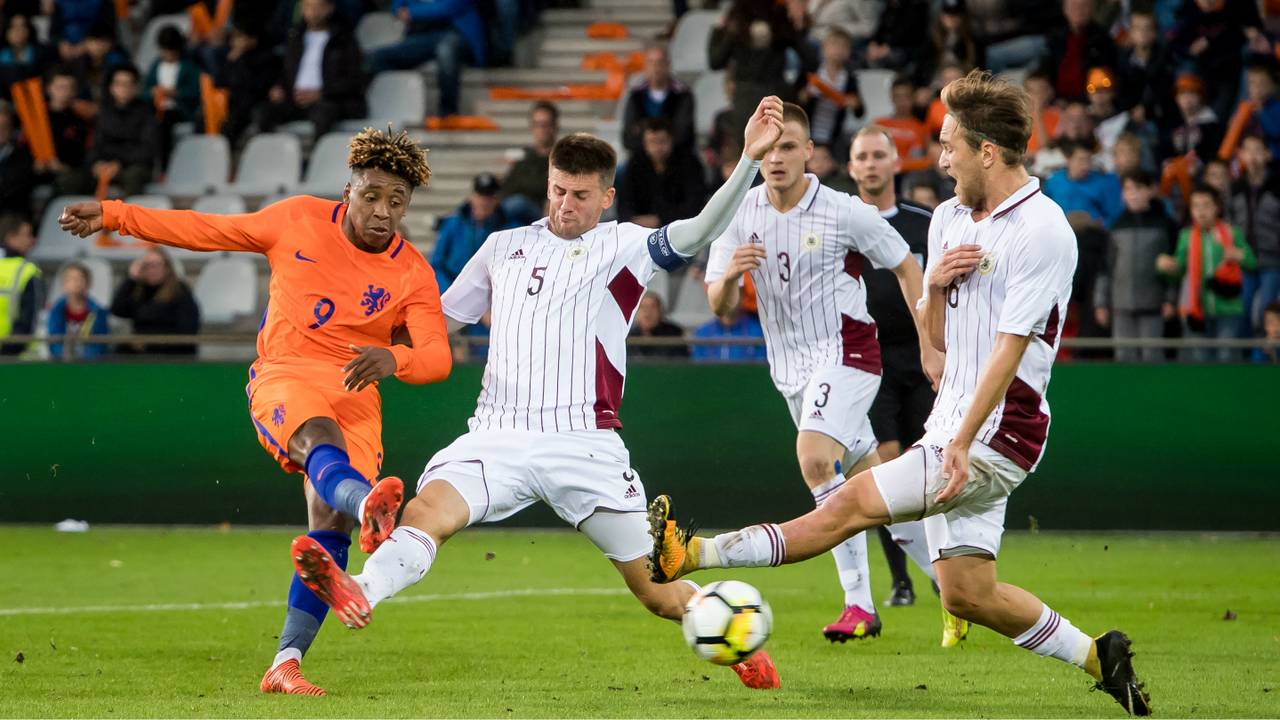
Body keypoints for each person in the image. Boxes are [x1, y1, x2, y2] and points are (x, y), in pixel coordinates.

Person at [650, 70, 1152, 717]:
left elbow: (1012, 347)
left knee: (848, 501)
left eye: (949, 147)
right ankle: (1099, 655)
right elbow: (938, 335)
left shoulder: (1043, 229)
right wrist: (936, 288)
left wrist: (963, 443)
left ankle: (693, 551)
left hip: (1000, 433)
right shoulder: (946, 219)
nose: (940, 160)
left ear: (987, 152)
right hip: (953, 426)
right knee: (967, 592)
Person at [288, 97, 790, 692]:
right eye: (556, 190)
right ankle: (359, 591)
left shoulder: (626, 246)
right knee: (426, 513)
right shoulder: (503, 246)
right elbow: (439, 321)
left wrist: (746, 163)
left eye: (579, 195)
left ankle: (734, 638)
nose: (564, 204)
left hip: (585, 445)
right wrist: (354, 339)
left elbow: (702, 230)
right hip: (497, 434)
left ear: (606, 197)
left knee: (655, 592)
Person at [58, 127, 453, 695]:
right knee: (322, 444)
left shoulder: (412, 271)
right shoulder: (295, 220)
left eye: (397, 202)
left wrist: (394, 357)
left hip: (358, 389)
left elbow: (437, 357)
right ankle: (369, 503)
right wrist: (117, 214)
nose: (383, 212)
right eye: (372, 196)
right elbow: (206, 230)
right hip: (287, 375)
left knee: (327, 526)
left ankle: (285, 663)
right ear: (349, 190)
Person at [704, 105, 946, 645]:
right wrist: (729, 282)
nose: (777, 158)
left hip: (849, 353)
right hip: (790, 370)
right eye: (767, 149)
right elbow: (717, 302)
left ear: (810, 150)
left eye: (788, 146)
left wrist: (931, 344)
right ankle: (951, 589)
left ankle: (858, 603)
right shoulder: (740, 213)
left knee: (815, 459)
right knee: (873, 485)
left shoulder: (842, 210)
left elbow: (907, 265)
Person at [847, 126, 953, 624]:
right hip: (869, 361)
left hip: (923, 355)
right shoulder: (842, 222)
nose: (870, 165)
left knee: (928, 470)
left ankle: (946, 573)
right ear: (851, 169)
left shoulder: (923, 222)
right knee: (885, 465)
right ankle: (903, 580)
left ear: (895, 164)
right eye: (861, 157)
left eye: (878, 156)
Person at [1157, 185, 1257, 362]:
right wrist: (1167, 267)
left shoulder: (1232, 233)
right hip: (1196, 309)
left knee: (1226, 357)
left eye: (1206, 205)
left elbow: (1252, 263)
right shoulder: (1185, 236)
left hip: (1228, 309)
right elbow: (1178, 271)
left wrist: (1239, 255)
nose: (1200, 211)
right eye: (1195, 206)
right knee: (1200, 360)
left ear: (1216, 207)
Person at [1094, 170, 1178, 363]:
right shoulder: (1115, 225)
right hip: (1121, 305)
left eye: (1139, 188)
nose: (1133, 194)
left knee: (1153, 357)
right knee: (1124, 358)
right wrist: (1101, 303)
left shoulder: (1165, 225)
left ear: (1151, 190)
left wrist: (1170, 299)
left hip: (1154, 305)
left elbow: (1175, 267)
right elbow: (1106, 267)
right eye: (1128, 189)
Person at [260, 0, 366, 138]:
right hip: (295, 100)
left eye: (318, 7)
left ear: (330, 8)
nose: (313, 12)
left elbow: (354, 80)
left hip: (330, 100)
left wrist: (321, 93)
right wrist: (279, 87)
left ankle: (318, 157)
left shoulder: (344, 39)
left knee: (323, 114)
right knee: (263, 112)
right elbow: (286, 71)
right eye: (308, 6)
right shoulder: (295, 37)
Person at [365, 0, 485, 118]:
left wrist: (412, 12)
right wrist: (411, 12)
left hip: (456, 34)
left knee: (445, 51)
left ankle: (448, 113)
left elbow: (449, 7)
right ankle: (395, 110)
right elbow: (397, 7)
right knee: (378, 58)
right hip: (422, 36)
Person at [431, 172, 519, 293]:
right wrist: (450, 291)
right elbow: (437, 263)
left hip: (491, 296)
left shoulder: (510, 229)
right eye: (480, 195)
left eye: (489, 197)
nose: (484, 201)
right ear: (472, 196)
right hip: (454, 289)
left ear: (497, 199)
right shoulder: (452, 223)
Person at [616, 118, 708, 228]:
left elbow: (695, 204)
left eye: (662, 141)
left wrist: (660, 219)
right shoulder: (636, 163)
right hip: (640, 228)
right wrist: (631, 221)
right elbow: (625, 201)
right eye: (652, 142)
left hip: (679, 228)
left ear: (671, 140)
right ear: (644, 142)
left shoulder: (690, 164)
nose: (657, 148)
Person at [107, 247, 200, 355]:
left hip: (171, 350)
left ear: (167, 268)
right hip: (142, 350)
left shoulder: (180, 291)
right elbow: (117, 310)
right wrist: (130, 279)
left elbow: (187, 330)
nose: (152, 270)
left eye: (156, 265)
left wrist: (149, 341)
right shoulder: (139, 290)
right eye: (147, 265)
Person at [1229, 135, 1280, 332]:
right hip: (1243, 259)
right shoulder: (1236, 188)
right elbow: (1230, 222)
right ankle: (1245, 359)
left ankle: (1265, 358)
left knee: (1266, 314)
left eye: (1258, 150)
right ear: (1241, 154)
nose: (1253, 156)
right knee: (1242, 311)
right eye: (1248, 150)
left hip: (1272, 260)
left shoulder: (1277, 186)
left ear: (1267, 154)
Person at [88, 66, 157, 197]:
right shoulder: (104, 113)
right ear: (111, 88)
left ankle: (130, 217)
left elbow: (147, 150)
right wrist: (95, 163)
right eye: (118, 84)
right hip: (106, 164)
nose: (123, 88)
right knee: (75, 177)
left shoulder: (147, 113)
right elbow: (96, 145)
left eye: (127, 84)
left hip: (133, 165)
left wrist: (119, 163)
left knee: (133, 175)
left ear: (136, 88)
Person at [621, 42, 696, 162]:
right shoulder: (636, 96)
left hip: (677, 160)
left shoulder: (683, 95)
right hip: (641, 161)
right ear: (645, 66)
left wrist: (643, 128)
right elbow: (628, 137)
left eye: (660, 63)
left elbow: (684, 134)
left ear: (668, 65)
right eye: (651, 63)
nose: (656, 68)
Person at [143, 25, 202, 167]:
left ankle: (164, 165)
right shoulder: (155, 66)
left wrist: (176, 93)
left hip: (178, 110)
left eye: (171, 52)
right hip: (156, 107)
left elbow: (196, 92)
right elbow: (145, 90)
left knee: (163, 124)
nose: (168, 55)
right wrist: (152, 93)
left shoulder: (189, 67)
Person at [500, 101, 558, 226]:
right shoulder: (525, 156)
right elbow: (507, 188)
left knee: (515, 204)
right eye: (537, 124)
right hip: (518, 216)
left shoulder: (561, 158)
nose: (541, 129)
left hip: (543, 212)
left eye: (545, 124)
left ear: (554, 126)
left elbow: (541, 187)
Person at [1043, 141, 1123, 228]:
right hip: (1060, 231)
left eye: (1089, 160)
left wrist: (1102, 225)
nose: (1085, 165)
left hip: (1092, 233)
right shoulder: (1054, 181)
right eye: (1081, 160)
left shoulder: (1102, 182)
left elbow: (1114, 215)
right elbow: (1044, 210)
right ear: (1068, 159)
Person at [47, 261, 109, 360]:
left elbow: (100, 343)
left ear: (88, 283)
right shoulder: (56, 311)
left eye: (80, 279)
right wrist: (66, 356)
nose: (76, 283)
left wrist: (85, 358)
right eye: (71, 279)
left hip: (90, 366)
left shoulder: (98, 311)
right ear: (64, 284)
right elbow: (54, 341)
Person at [0, 214, 42, 356]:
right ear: (11, 237)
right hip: (16, 359)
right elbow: (30, 322)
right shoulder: (29, 271)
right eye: (27, 235)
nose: (33, 240)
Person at [690, 307, 767, 363]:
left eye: (733, 293)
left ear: (742, 296)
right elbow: (698, 370)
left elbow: (760, 370)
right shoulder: (702, 333)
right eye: (722, 293)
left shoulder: (759, 331)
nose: (728, 298)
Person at [629, 293, 687, 359]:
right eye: (642, 307)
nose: (647, 312)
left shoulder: (674, 334)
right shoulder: (628, 336)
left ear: (660, 311)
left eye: (653, 307)